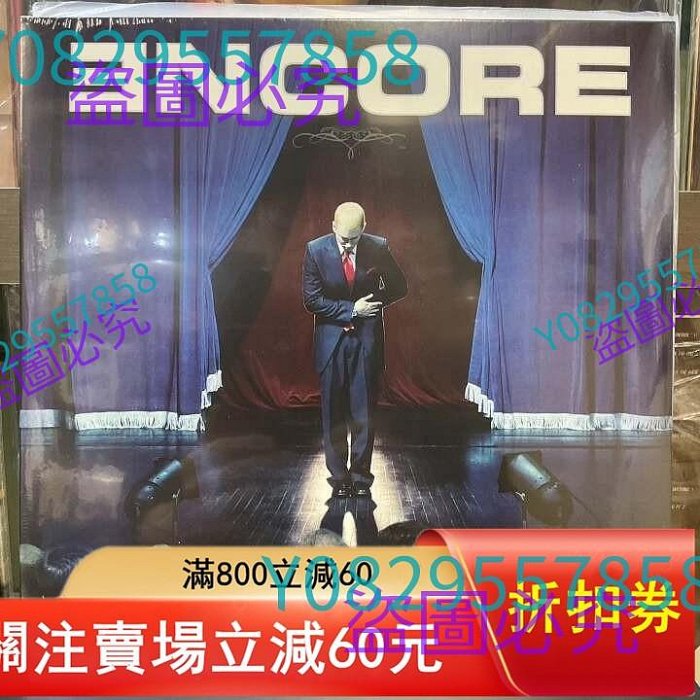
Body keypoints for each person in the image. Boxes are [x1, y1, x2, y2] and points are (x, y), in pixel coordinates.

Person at [302, 202, 407, 498]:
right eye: (343, 239)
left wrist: (373, 304)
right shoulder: (315, 250)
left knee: (364, 414)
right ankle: (340, 479)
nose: (348, 245)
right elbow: (311, 299)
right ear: (333, 226)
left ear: (364, 228)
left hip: (365, 341)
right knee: (333, 414)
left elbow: (400, 286)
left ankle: (361, 478)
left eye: (354, 238)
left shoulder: (378, 247)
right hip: (331, 344)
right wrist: (352, 310)